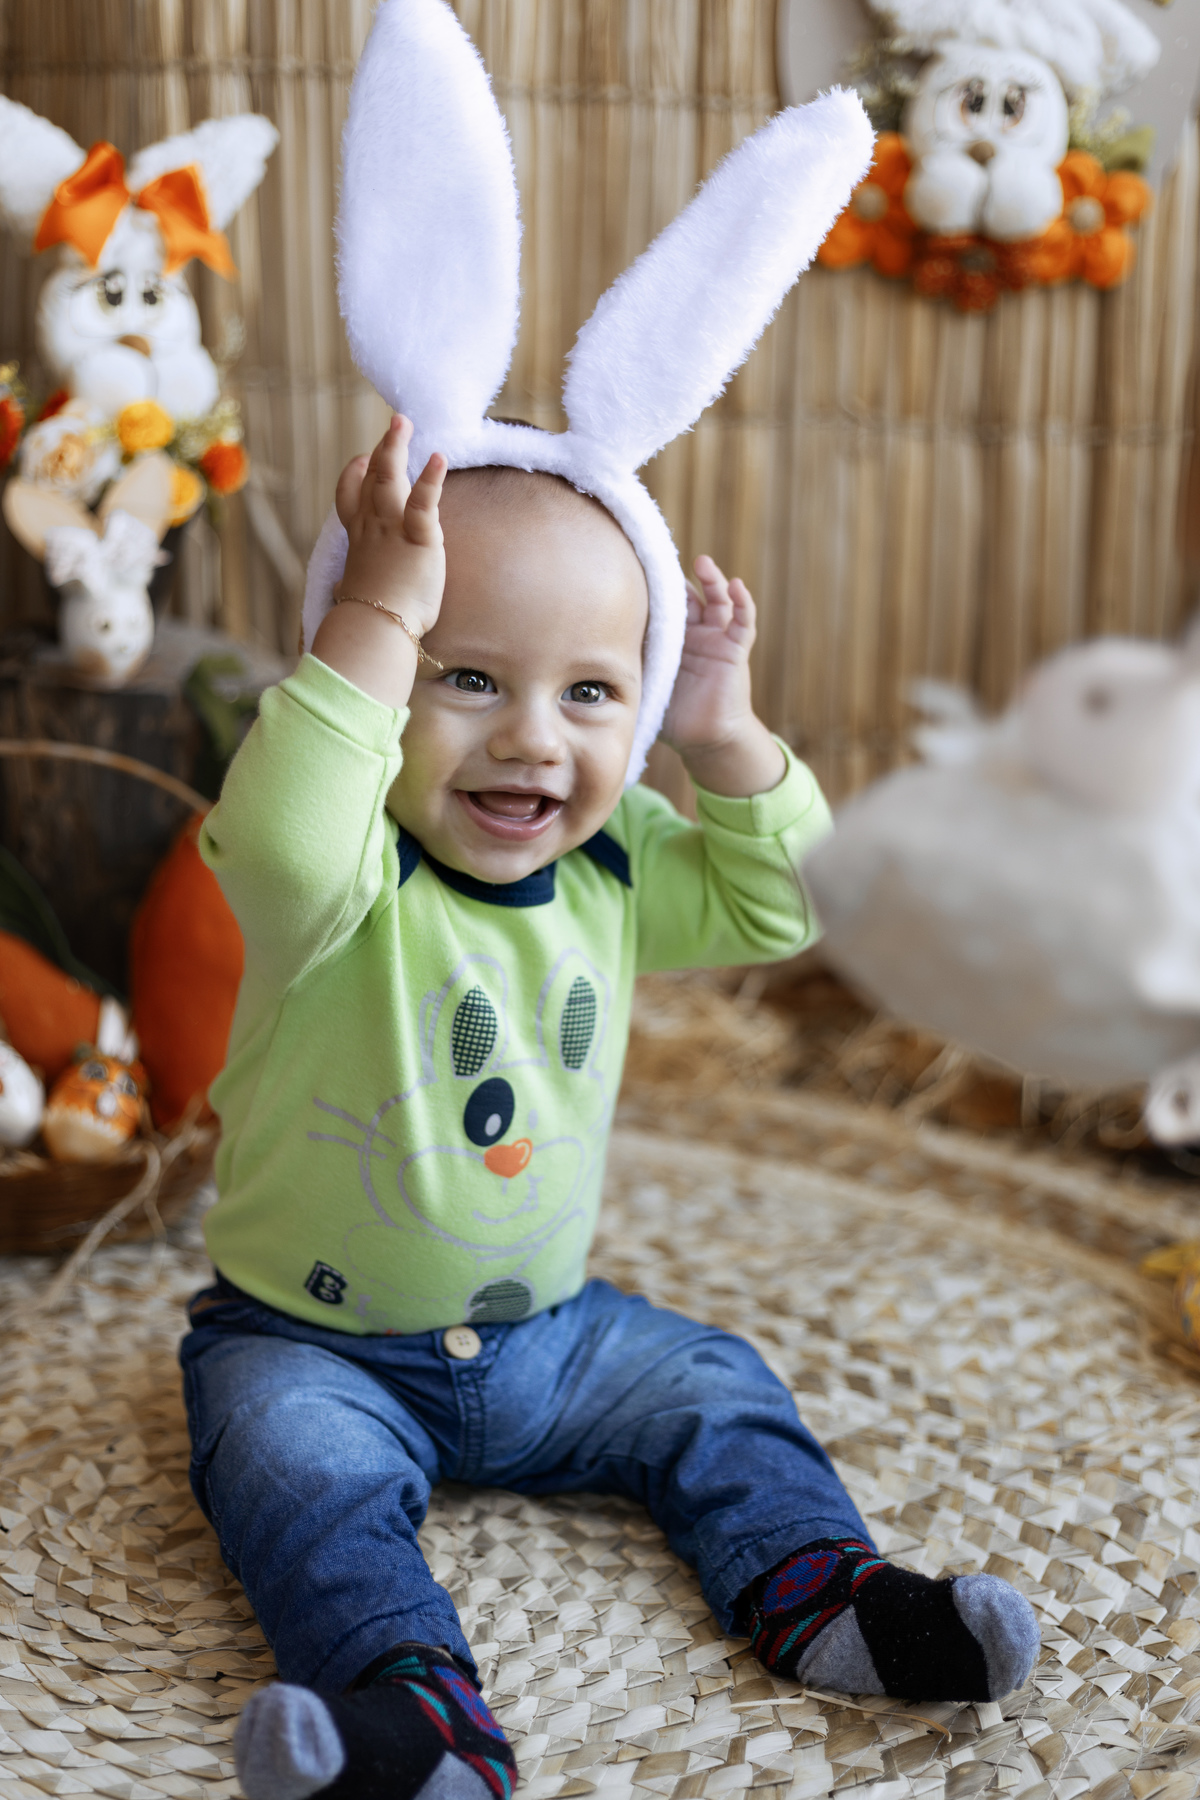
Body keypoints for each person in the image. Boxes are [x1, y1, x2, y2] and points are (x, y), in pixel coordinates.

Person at [182, 412, 1040, 1800]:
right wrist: (377, 603)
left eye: (591, 693)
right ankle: (411, 1716)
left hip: (551, 1337)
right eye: (464, 675)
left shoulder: (621, 863)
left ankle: (826, 1596)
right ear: (377, 684)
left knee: (715, 1383)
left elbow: (797, 900)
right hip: (311, 1340)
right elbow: (284, 826)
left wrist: (719, 730)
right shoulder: (339, 875)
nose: (531, 739)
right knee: (292, 1482)